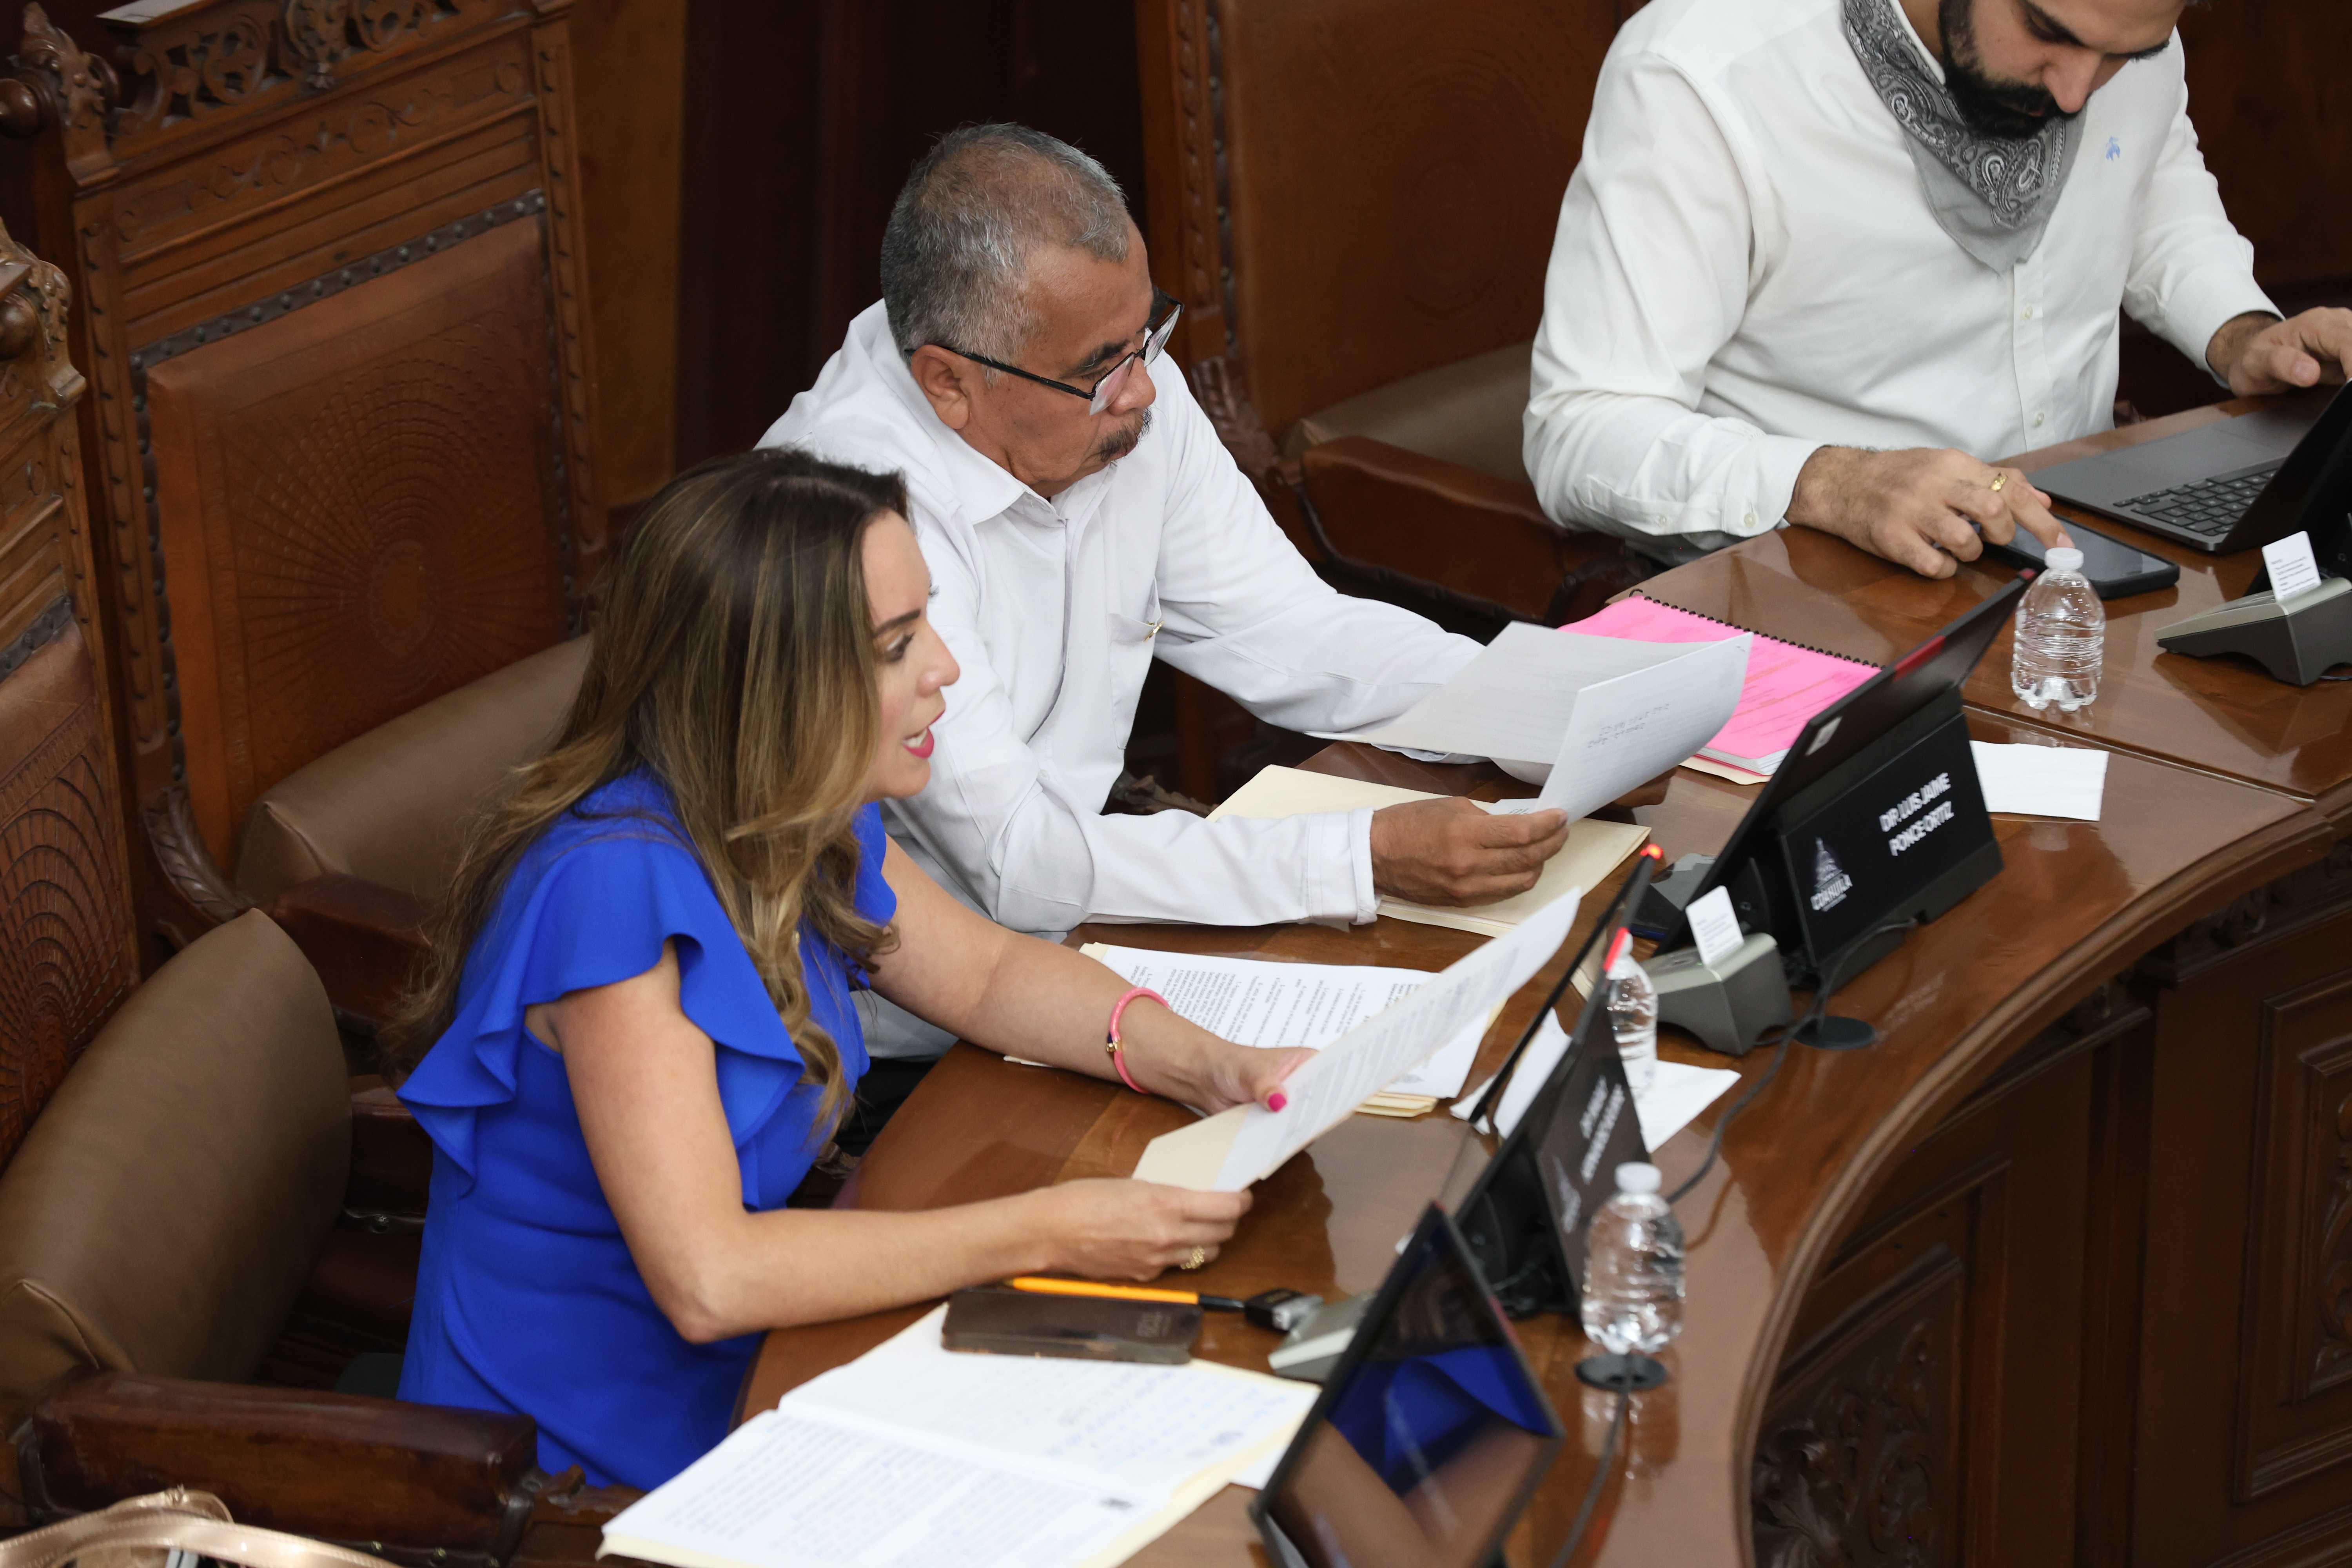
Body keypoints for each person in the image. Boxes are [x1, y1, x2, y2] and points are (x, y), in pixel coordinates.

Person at [385, 449, 1308, 1491]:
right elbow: (709, 1279)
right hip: (581, 1463)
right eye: (895, 646)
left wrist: (1209, 1063)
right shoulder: (614, 893)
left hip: (778, 1355)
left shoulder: (797, 808)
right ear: (771, 686)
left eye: (927, 623)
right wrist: (1050, 1230)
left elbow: (988, 977)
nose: (944, 669)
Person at [760, 123, 1575, 1082]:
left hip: (1112, 954)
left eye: (1149, 332)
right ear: (950, 382)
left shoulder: (1119, 387)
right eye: (1100, 369)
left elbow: (1292, 629)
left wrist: (1554, 710)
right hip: (914, 1048)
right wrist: (1359, 857)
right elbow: (1020, 860)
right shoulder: (851, 511)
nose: (1145, 388)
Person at [1524, 0, 2352, 576]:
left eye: (2121, 60)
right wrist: (1831, 482)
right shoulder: (1703, 74)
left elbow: (2151, 192)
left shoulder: (2114, 31)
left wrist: (2242, 334)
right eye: (2047, 33)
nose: (2076, 92)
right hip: (1806, 597)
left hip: (2088, 564)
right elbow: (1580, 429)